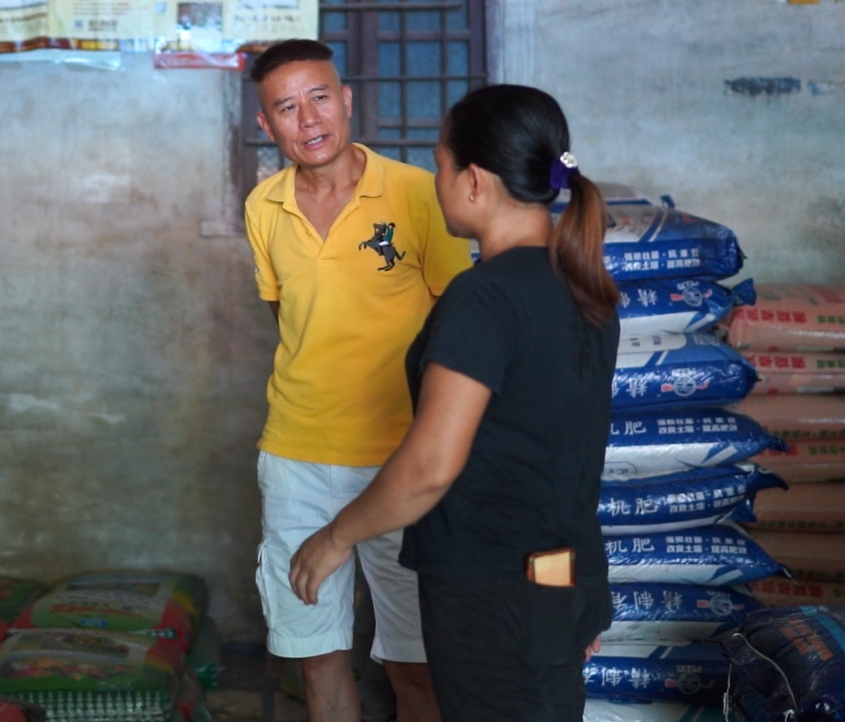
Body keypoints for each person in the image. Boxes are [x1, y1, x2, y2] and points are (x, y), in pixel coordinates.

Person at [286, 84, 620, 722]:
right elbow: (569, 454)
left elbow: (431, 466)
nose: (435, 182)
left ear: (473, 181)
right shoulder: (583, 288)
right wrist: (578, 595)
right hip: (559, 578)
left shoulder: (483, 298)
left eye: (439, 165)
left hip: (491, 590)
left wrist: (335, 537)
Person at [244, 39, 472, 722]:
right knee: (317, 657)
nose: (309, 119)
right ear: (266, 125)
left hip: (403, 458)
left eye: (320, 97)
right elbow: (290, 318)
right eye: (287, 107)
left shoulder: (415, 192)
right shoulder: (263, 206)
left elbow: (457, 325)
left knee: (415, 665)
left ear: (347, 100)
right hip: (296, 455)